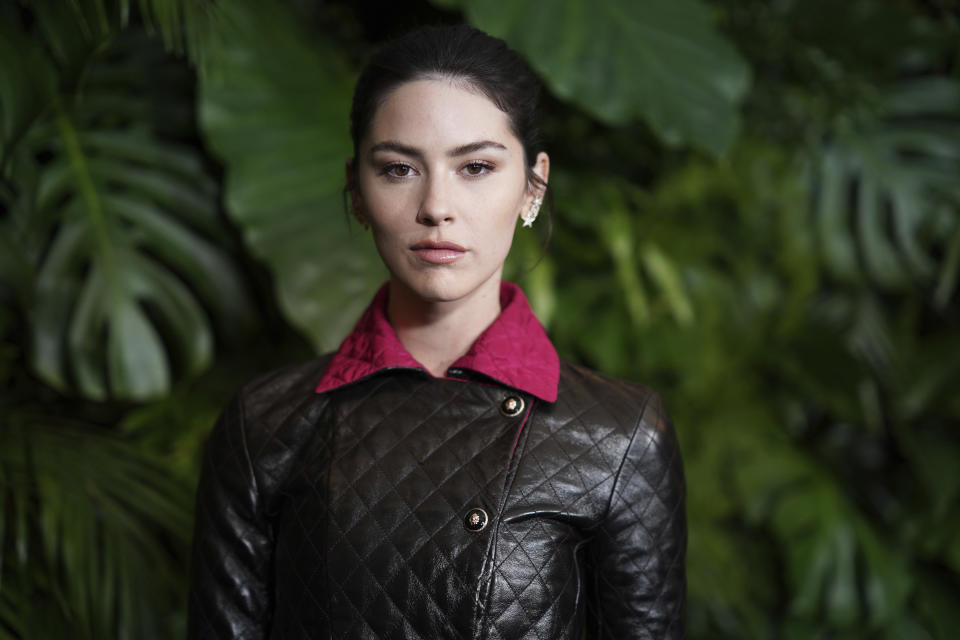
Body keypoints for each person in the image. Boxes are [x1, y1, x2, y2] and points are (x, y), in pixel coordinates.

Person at [188, 24, 685, 640]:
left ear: (533, 185)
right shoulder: (264, 425)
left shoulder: (621, 436)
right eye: (399, 169)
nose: (437, 207)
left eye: (476, 167)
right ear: (356, 192)